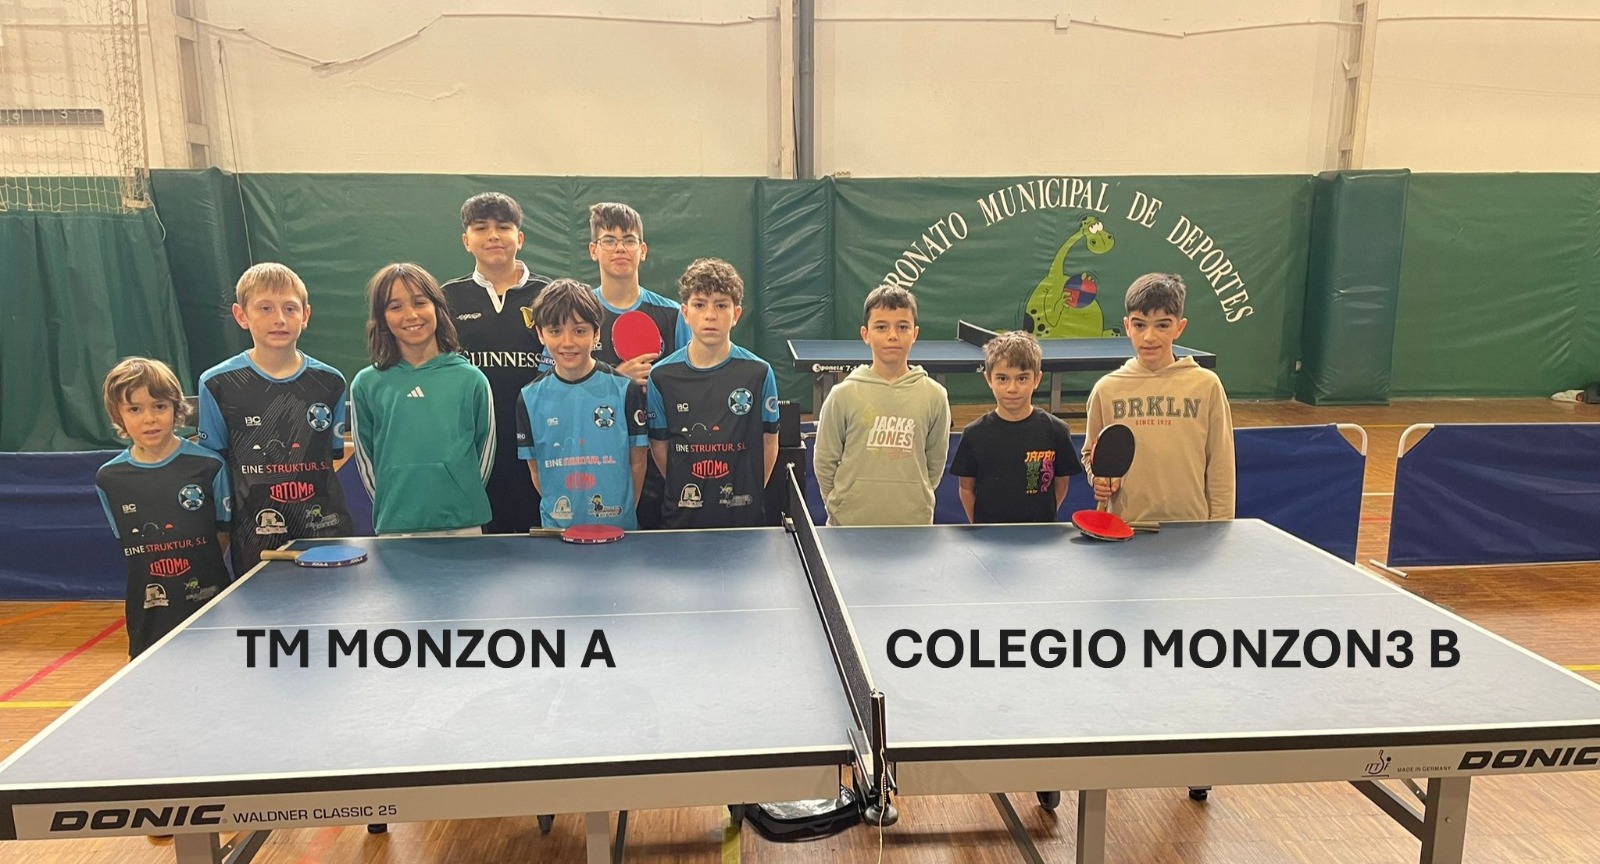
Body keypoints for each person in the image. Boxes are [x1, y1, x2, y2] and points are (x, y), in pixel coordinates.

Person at [197, 263, 352, 574]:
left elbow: (332, 457)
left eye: (290, 308)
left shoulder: (331, 382)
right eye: (265, 308)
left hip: (326, 531)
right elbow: (216, 467)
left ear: (305, 315)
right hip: (254, 539)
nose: (279, 318)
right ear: (241, 315)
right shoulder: (216, 384)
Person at [96, 357, 232, 658]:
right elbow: (130, 545)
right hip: (148, 612)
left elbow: (223, 533)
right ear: (117, 415)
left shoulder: (209, 465)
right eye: (134, 409)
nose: (150, 419)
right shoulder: (109, 478)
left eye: (159, 406)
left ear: (176, 408)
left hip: (210, 603)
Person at [351, 263, 495, 536]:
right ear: (382, 317)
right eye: (395, 307)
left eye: (420, 302)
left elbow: (484, 452)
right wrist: (393, 503)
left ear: (437, 308)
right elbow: (366, 459)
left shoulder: (471, 379)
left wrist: (462, 494)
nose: (411, 315)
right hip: (396, 525)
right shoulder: (366, 385)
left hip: (463, 524)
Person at [1084, 272, 1235, 522]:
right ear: (1127, 326)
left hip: (1192, 528)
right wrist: (1097, 478)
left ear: (1179, 327)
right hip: (1125, 527)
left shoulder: (1207, 386)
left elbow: (1221, 466)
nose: (1149, 337)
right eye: (1139, 325)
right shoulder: (1106, 389)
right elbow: (1092, 453)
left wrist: (1221, 527)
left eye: (1162, 325)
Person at [440, 192, 550, 534]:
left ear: (520, 237)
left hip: (540, 444)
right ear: (466, 241)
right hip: (472, 448)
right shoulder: (446, 298)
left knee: (541, 548)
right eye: (481, 228)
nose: (493, 236)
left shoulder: (549, 294)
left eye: (503, 227)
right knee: (482, 549)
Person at [646, 258, 779, 528]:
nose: (710, 315)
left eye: (721, 305)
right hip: (682, 518)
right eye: (699, 305)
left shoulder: (759, 373)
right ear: (685, 313)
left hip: (744, 519)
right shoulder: (660, 376)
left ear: (736, 314)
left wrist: (749, 492)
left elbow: (769, 442)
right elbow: (659, 447)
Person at [586, 202, 690, 529]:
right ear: (593, 250)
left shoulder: (673, 315)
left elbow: (691, 381)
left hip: (660, 456)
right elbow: (559, 386)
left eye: (629, 240)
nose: (620, 248)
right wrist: (617, 379)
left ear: (642, 250)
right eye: (609, 240)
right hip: (597, 452)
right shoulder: (579, 313)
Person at [813, 286, 951, 526]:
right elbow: (825, 461)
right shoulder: (842, 395)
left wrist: (915, 495)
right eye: (881, 327)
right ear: (865, 334)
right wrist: (842, 503)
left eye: (902, 327)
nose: (892, 336)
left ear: (915, 333)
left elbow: (935, 463)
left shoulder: (935, 396)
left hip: (913, 524)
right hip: (849, 525)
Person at [517, 279, 648, 530]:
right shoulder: (529, 397)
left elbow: (638, 461)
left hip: (618, 530)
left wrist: (621, 513)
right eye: (555, 331)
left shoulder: (625, 390)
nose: (568, 342)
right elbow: (536, 470)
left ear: (596, 333)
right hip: (559, 530)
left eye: (579, 331)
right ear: (541, 334)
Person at [951, 330, 1082, 523]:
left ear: (1037, 379)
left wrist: (1043, 521)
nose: (1012, 388)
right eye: (1002, 378)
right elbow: (966, 488)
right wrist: (980, 526)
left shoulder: (1057, 431)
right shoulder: (974, 434)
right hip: (989, 535)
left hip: (1040, 533)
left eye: (1022, 378)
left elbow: (1061, 484)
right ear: (988, 379)